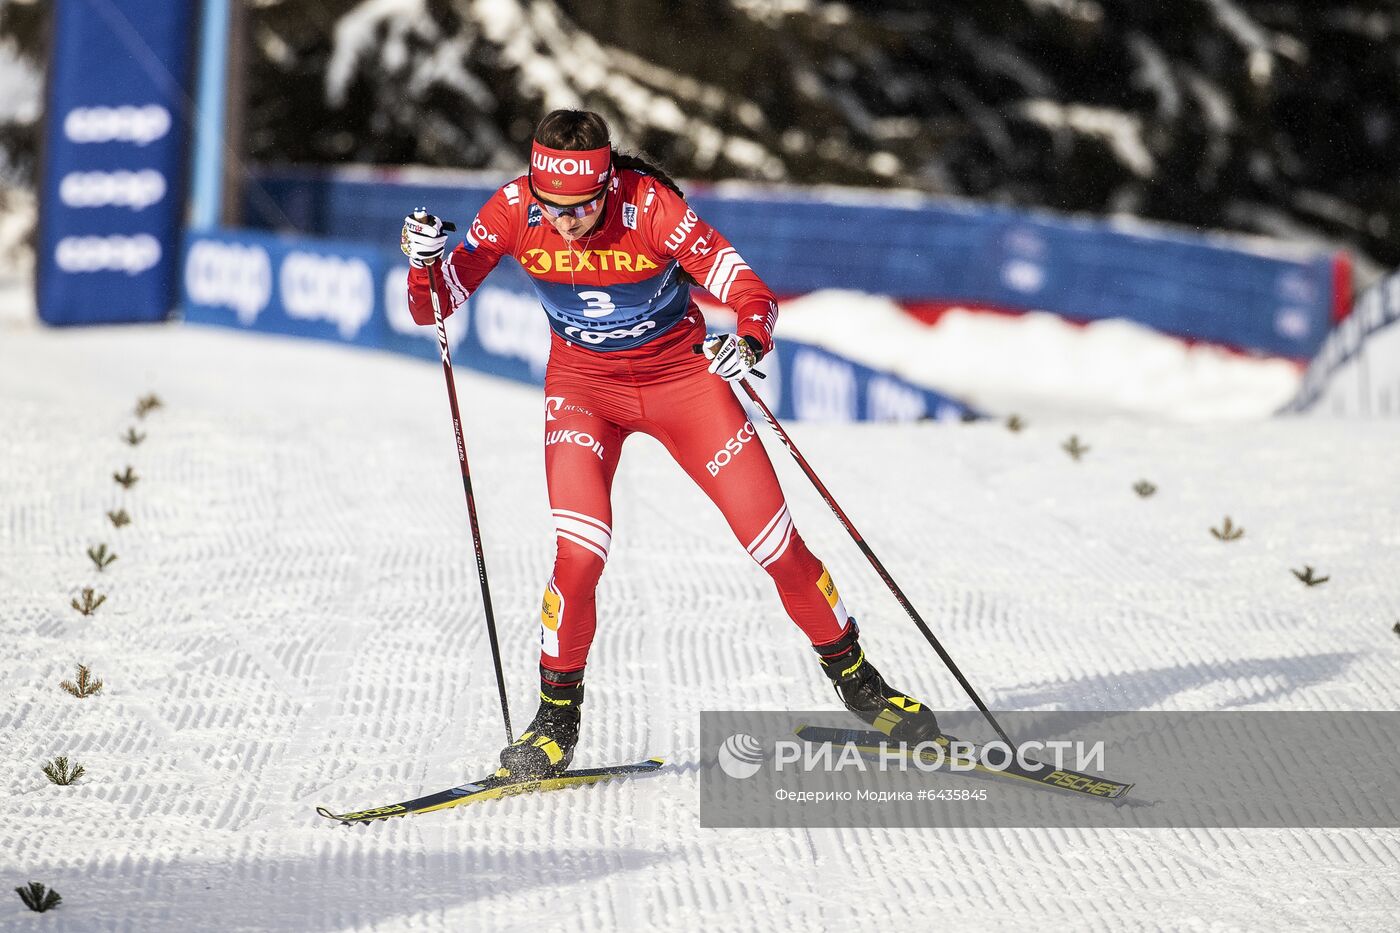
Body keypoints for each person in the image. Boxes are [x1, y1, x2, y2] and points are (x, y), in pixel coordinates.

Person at [402, 109, 940, 778]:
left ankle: (860, 683)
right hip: (584, 388)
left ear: (608, 185)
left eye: (582, 206)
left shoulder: (650, 207)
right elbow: (433, 306)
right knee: (580, 550)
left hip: (683, 381)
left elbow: (750, 290)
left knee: (776, 545)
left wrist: (747, 341)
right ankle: (553, 725)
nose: (566, 222)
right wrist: (424, 265)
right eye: (553, 206)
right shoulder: (514, 207)